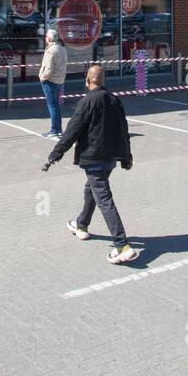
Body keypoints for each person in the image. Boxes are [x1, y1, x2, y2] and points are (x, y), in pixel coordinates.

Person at [43, 64, 138, 265]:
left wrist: (55, 154)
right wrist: (126, 156)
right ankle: (81, 225)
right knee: (91, 191)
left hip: (94, 158)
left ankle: (122, 245)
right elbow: (124, 129)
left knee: (103, 198)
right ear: (103, 81)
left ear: (87, 81)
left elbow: (71, 132)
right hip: (110, 158)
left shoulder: (86, 102)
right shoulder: (115, 100)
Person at [38, 28, 67, 138]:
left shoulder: (50, 51)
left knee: (52, 106)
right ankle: (58, 129)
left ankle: (55, 130)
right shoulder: (62, 49)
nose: (45, 38)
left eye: (46, 36)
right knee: (56, 105)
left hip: (50, 81)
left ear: (49, 38)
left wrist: (42, 77)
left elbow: (48, 69)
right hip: (60, 80)